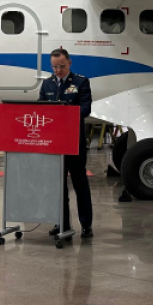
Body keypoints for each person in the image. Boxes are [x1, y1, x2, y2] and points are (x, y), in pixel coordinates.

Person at [39, 48, 93, 238]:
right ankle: (62, 223)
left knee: (80, 184)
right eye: (55, 67)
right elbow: (41, 107)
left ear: (69, 63)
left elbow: (86, 108)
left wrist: (67, 111)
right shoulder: (47, 84)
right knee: (58, 186)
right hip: (54, 143)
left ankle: (86, 225)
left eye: (61, 66)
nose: (58, 70)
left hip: (73, 142)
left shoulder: (81, 82)